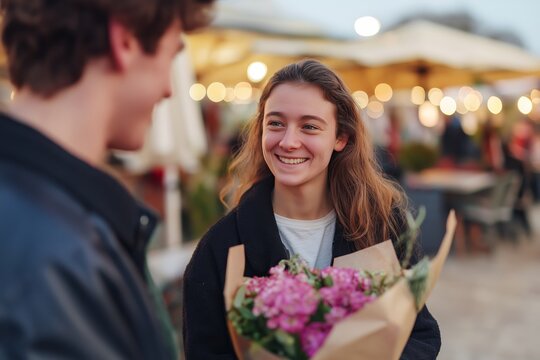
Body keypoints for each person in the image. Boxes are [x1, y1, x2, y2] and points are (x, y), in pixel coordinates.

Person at [183, 60, 441, 359]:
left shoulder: (383, 225)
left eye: (309, 126)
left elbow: (420, 334)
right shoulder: (222, 249)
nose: (289, 141)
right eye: (276, 123)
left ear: (340, 138)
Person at [0, 0, 214, 358]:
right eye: (171, 55)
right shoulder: (59, 253)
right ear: (125, 41)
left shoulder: (47, 216)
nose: (169, 89)